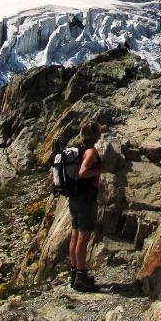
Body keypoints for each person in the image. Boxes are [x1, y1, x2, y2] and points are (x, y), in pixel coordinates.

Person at [68, 120, 102, 291]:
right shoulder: (91, 151)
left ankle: (74, 272)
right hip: (85, 199)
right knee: (83, 237)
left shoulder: (77, 149)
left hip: (74, 198)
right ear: (96, 135)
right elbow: (83, 172)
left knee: (75, 236)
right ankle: (81, 276)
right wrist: (101, 169)